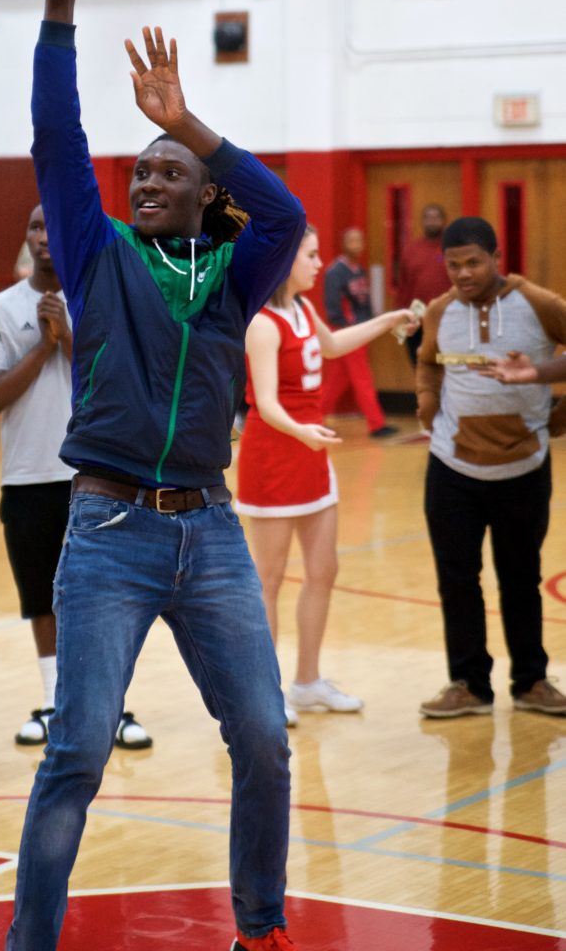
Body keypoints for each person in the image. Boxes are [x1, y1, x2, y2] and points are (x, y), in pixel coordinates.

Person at [6, 0, 307, 951]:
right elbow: (57, 136)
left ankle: (258, 927)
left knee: (264, 739)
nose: (145, 178)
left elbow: (285, 212)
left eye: (165, 172)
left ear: (197, 195)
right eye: (139, 168)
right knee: (79, 749)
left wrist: (185, 121)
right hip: (108, 529)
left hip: (208, 532)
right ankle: (29, 942)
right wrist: (59, 18)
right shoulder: (98, 259)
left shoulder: (233, 275)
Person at [0, 203, 151, 749]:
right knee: (41, 596)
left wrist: (68, 336)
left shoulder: (100, 299)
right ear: (26, 238)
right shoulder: (0, 308)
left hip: (96, 475)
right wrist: (43, 345)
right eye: (35, 226)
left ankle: (111, 707)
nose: (45, 236)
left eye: (54, 225)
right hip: (26, 475)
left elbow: (118, 380)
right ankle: (54, 704)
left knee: (103, 598)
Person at [237, 226, 417, 726]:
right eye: (311, 255)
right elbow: (265, 403)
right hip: (275, 453)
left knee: (324, 570)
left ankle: (309, 682)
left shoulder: (303, 310)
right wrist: (302, 431)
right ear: (282, 261)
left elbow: (334, 345)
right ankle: (262, 693)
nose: (320, 264)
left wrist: (387, 320)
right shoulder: (263, 323)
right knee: (268, 580)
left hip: (312, 450)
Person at [417, 216, 566, 718]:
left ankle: (530, 681)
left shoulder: (540, 304)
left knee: (520, 576)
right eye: (453, 265)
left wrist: (542, 378)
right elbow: (428, 363)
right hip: (451, 469)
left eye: (473, 262)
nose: (462, 273)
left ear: (497, 258)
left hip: (523, 467)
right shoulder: (439, 311)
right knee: (456, 579)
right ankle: (469, 684)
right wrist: (426, 403)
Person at [321, 227, 396, 437]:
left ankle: (315, 416)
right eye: (352, 241)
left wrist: (372, 325)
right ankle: (377, 424)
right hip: (347, 333)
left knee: (338, 379)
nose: (357, 245)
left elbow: (366, 302)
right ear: (344, 244)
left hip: (360, 331)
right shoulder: (336, 272)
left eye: (360, 241)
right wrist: (347, 329)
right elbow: (333, 307)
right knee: (362, 378)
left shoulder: (359, 270)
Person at [396, 203, 447, 365]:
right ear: (422, 221)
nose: (432, 221)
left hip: (445, 318)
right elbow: (403, 286)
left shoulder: (451, 249)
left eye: (436, 217)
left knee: (445, 365)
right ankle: (423, 391)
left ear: (443, 220)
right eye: (428, 218)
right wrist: (401, 318)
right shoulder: (411, 250)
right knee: (419, 364)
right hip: (416, 319)